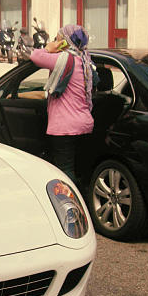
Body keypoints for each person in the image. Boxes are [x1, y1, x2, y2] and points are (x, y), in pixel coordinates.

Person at [30, 24, 96, 185]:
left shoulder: (64, 59)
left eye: (58, 39)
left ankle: (71, 203)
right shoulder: (85, 60)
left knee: (64, 171)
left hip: (64, 127)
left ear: (65, 42)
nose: (55, 41)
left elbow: (34, 56)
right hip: (84, 124)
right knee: (78, 168)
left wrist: (47, 48)